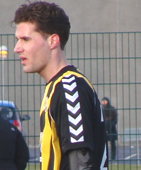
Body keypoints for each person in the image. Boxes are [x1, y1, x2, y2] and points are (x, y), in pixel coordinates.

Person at [12, 1, 107, 170]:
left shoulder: (70, 87)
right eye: (18, 40)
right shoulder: (56, 87)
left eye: (25, 39)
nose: (17, 48)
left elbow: (81, 164)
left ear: (52, 41)